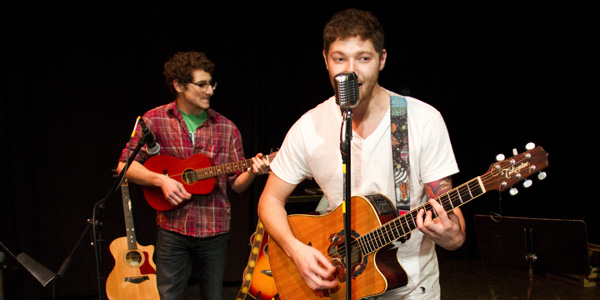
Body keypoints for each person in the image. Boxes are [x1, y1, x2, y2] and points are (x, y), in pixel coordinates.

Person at [257, 8, 465, 300]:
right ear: (326, 61)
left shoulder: (422, 120)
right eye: (339, 58)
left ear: (382, 59)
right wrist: (296, 251)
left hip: (409, 287)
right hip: (337, 285)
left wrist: (452, 235)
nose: (350, 70)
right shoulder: (309, 126)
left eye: (364, 58)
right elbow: (270, 199)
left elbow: (450, 219)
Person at [116, 51, 271, 300]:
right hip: (172, 228)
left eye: (212, 84)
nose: (209, 90)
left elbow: (238, 185)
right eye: (202, 84)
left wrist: (254, 171)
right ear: (178, 85)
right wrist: (162, 180)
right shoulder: (154, 120)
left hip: (215, 229)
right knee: (169, 296)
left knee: (213, 296)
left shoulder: (227, 128)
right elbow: (125, 166)